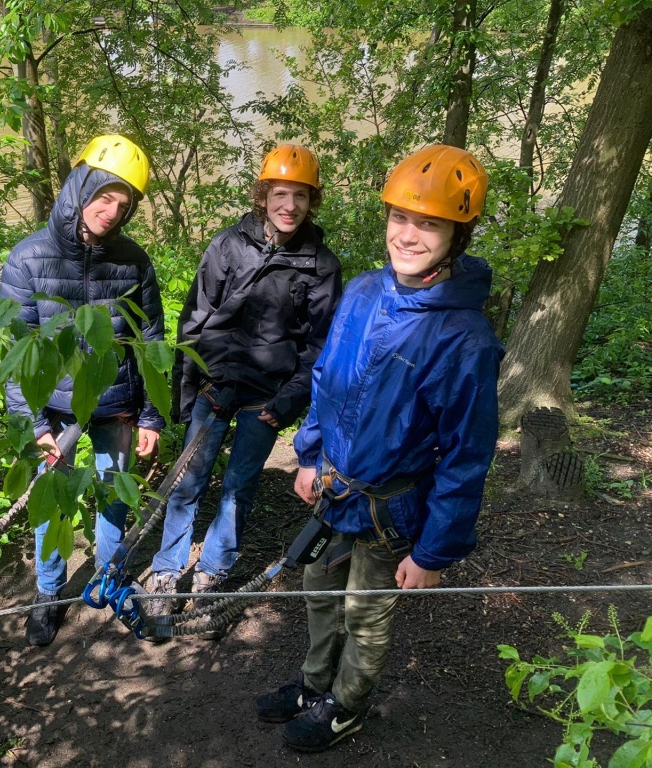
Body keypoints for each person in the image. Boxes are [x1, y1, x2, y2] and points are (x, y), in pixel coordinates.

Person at [254, 144, 504, 752]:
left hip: (391, 508)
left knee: (366, 613)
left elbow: (466, 456)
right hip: (334, 484)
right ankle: (315, 683)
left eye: (430, 223)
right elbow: (327, 381)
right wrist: (309, 455)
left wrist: (436, 553)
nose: (409, 235)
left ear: (458, 234)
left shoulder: (465, 339)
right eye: (401, 218)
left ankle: (347, 704)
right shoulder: (364, 292)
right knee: (318, 586)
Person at [144, 144, 342, 620]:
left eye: (299, 195)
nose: (289, 205)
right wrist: (187, 391)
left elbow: (320, 346)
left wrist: (289, 400)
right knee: (187, 480)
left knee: (239, 484)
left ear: (311, 201)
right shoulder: (228, 246)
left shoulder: (321, 265)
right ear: (263, 196)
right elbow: (193, 320)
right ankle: (167, 571)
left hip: (267, 396)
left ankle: (213, 570)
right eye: (280, 193)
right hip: (216, 385)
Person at [0, 135, 165, 647]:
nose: (111, 212)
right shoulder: (27, 259)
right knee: (50, 505)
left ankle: (108, 579)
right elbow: (16, 355)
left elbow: (153, 341)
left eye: (124, 205)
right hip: (55, 409)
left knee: (115, 498)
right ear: (79, 187)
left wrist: (154, 417)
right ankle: (49, 592)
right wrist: (35, 426)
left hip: (117, 404)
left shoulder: (134, 262)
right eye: (104, 197)